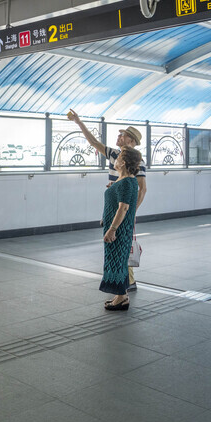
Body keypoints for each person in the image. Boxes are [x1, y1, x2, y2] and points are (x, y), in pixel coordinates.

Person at [68, 110, 147, 292]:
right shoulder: (114, 154)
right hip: (113, 206)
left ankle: (126, 282)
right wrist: (79, 122)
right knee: (116, 244)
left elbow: (142, 189)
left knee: (120, 243)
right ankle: (122, 282)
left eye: (123, 135)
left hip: (123, 208)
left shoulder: (137, 161)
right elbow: (93, 142)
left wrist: (131, 212)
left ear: (131, 141)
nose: (118, 136)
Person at [100, 148, 142, 311]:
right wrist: (113, 186)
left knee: (118, 261)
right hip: (117, 229)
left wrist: (112, 229)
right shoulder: (124, 181)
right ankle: (120, 295)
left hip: (118, 230)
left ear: (123, 162)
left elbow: (123, 208)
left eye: (117, 158)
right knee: (117, 260)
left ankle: (122, 297)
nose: (114, 161)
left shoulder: (126, 182)